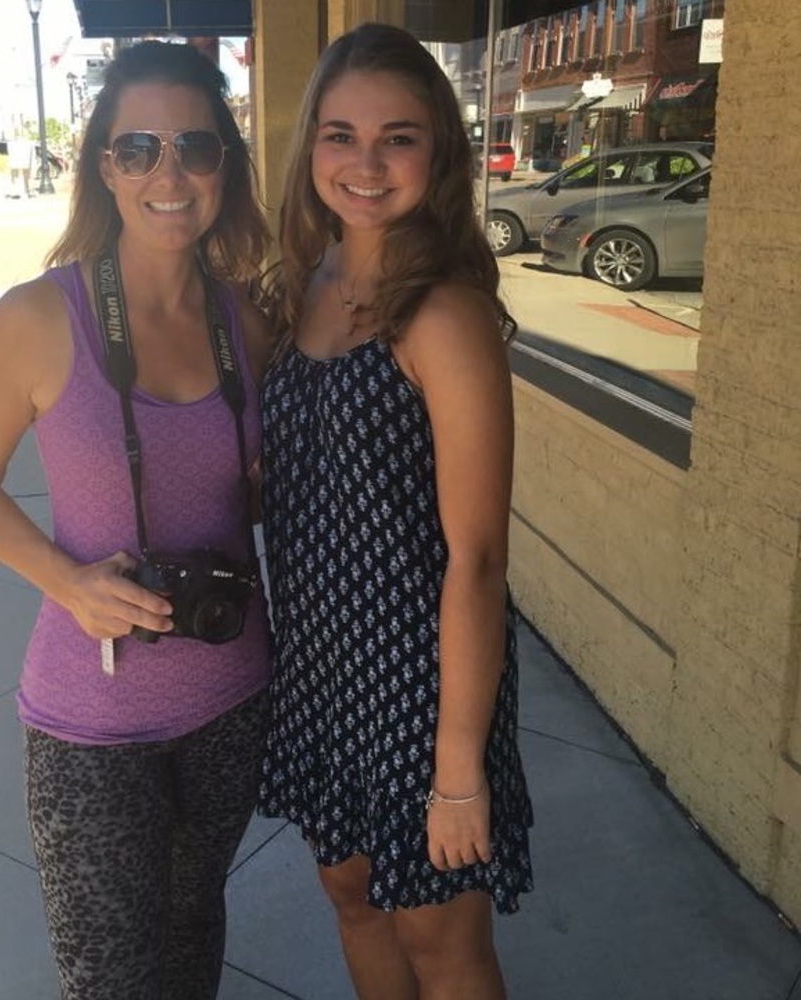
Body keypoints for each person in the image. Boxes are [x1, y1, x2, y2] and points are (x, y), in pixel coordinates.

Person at [0, 40, 272, 1000]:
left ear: (225, 165)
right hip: (91, 721)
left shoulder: (247, 322)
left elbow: (246, 490)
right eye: (139, 148)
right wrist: (65, 581)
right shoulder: (38, 317)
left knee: (195, 931)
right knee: (109, 980)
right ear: (103, 166)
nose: (170, 173)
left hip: (233, 695)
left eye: (196, 147)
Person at [256, 23, 534, 1000]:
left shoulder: (442, 313)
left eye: (397, 137)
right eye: (339, 135)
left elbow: (480, 558)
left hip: (422, 678)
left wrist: (458, 768)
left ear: (439, 152)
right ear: (311, 151)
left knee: (439, 939)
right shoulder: (299, 291)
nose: (364, 164)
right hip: (322, 664)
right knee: (352, 896)